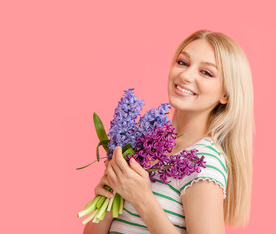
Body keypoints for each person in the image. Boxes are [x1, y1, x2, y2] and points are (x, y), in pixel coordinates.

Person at [83, 29, 254, 234]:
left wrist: (143, 200)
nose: (186, 75)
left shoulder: (203, 162)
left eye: (206, 72)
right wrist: (109, 195)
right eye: (182, 62)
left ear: (225, 94)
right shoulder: (145, 143)